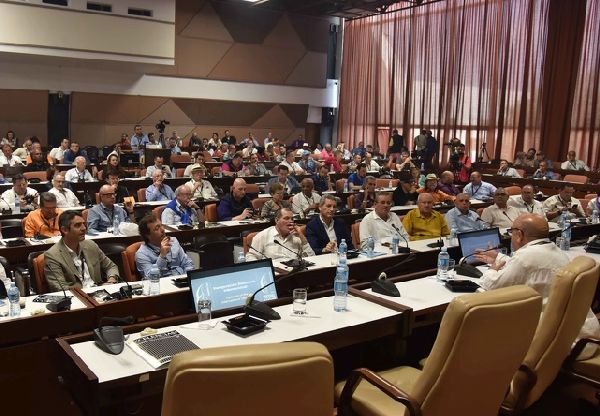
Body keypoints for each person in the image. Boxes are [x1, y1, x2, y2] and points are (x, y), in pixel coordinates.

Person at [475, 213, 600, 360]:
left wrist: (492, 270)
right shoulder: (554, 251)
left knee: (484, 326)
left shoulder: (526, 257)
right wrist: (498, 257)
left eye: (511, 232)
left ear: (519, 235)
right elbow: (530, 267)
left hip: (564, 344)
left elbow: (492, 287)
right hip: (584, 335)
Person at [44, 210, 120, 291]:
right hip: (77, 298)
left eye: (84, 224)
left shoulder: (91, 245)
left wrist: (111, 281)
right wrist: (87, 292)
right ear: (64, 230)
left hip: (100, 294)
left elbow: (111, 266)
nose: (84, 228)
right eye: (77, 225)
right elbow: (59, 287)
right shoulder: (52, 255)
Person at [246, 208, 315, 261]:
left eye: (292, 219)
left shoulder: (296, 237)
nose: (291, 221)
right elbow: (251, 257)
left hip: (294, 273)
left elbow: (311, 257)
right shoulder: (263, 235)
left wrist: (302, 237)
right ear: (276, 220)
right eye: (286, 218)